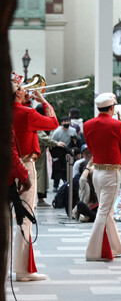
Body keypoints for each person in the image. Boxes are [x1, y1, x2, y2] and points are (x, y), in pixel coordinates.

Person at [12, 71, 59, 281]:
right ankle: (22, 270)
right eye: (22, 88)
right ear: (16, 93)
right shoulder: (26, 113)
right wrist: (42, 99)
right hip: (25, 164)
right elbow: (53, 123)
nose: (26, 90)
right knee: (25, 218)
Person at [84, 92, 121, 261]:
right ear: (112, 107)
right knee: (104, 211)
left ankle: (116, 247)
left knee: (107, 211)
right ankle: (93, 251)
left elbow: (91, 147)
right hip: (112, 173)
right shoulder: (118, 125)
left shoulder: (88, 124)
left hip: (97, 171)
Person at [34, 104, 65, 207]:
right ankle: (37, 200)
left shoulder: (37, 120)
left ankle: (40, 199)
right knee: (38, 176)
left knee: (39, 175)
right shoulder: (37, 121)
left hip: (38, 152)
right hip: (35, 153)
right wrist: (55, 143)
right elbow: (42, 137)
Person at [51, 116, 77, 191]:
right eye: (64, 121)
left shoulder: (73, 130)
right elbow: (53, 143)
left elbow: (75, 141)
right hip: (58, 151)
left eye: (68, 121)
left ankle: (67, 183)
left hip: (68, 151)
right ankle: (55, 185)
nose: (66, 123)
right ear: (61, 122)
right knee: (57, 168)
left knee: (68, 168)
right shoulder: (57, 132)